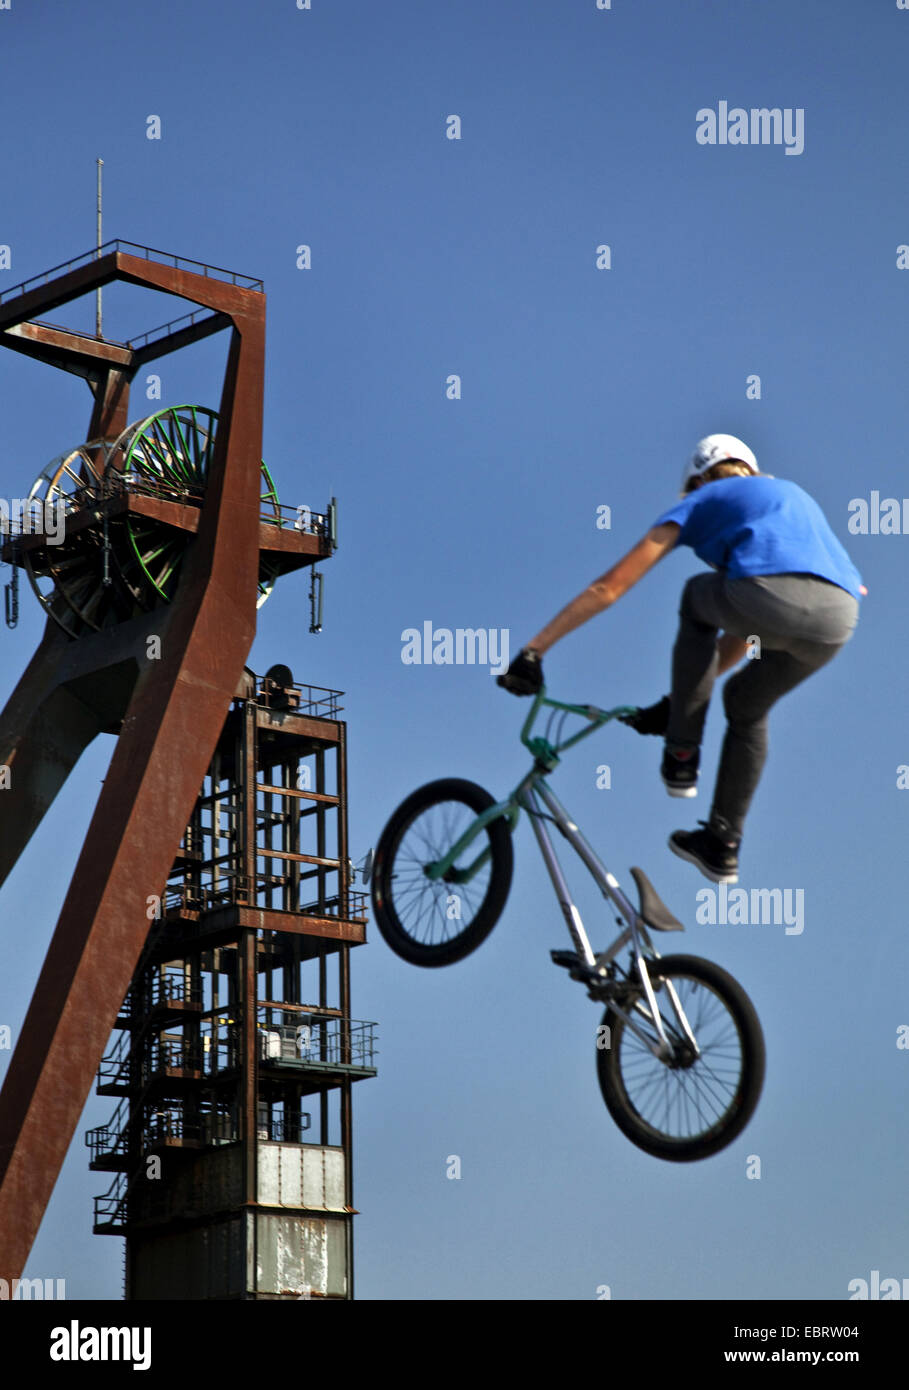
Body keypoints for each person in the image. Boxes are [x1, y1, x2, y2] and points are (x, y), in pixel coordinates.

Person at [498, 434, 864, 884]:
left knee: (696, 597)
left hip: (769, 597)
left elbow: (609, 587)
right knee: (746, 705)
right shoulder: (788, 497)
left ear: (697, 480)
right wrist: (678, 700)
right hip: (838, 620)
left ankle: (682, 754)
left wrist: (534, 651)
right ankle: (722, 843)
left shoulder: (703, 499)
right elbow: (746, 623)